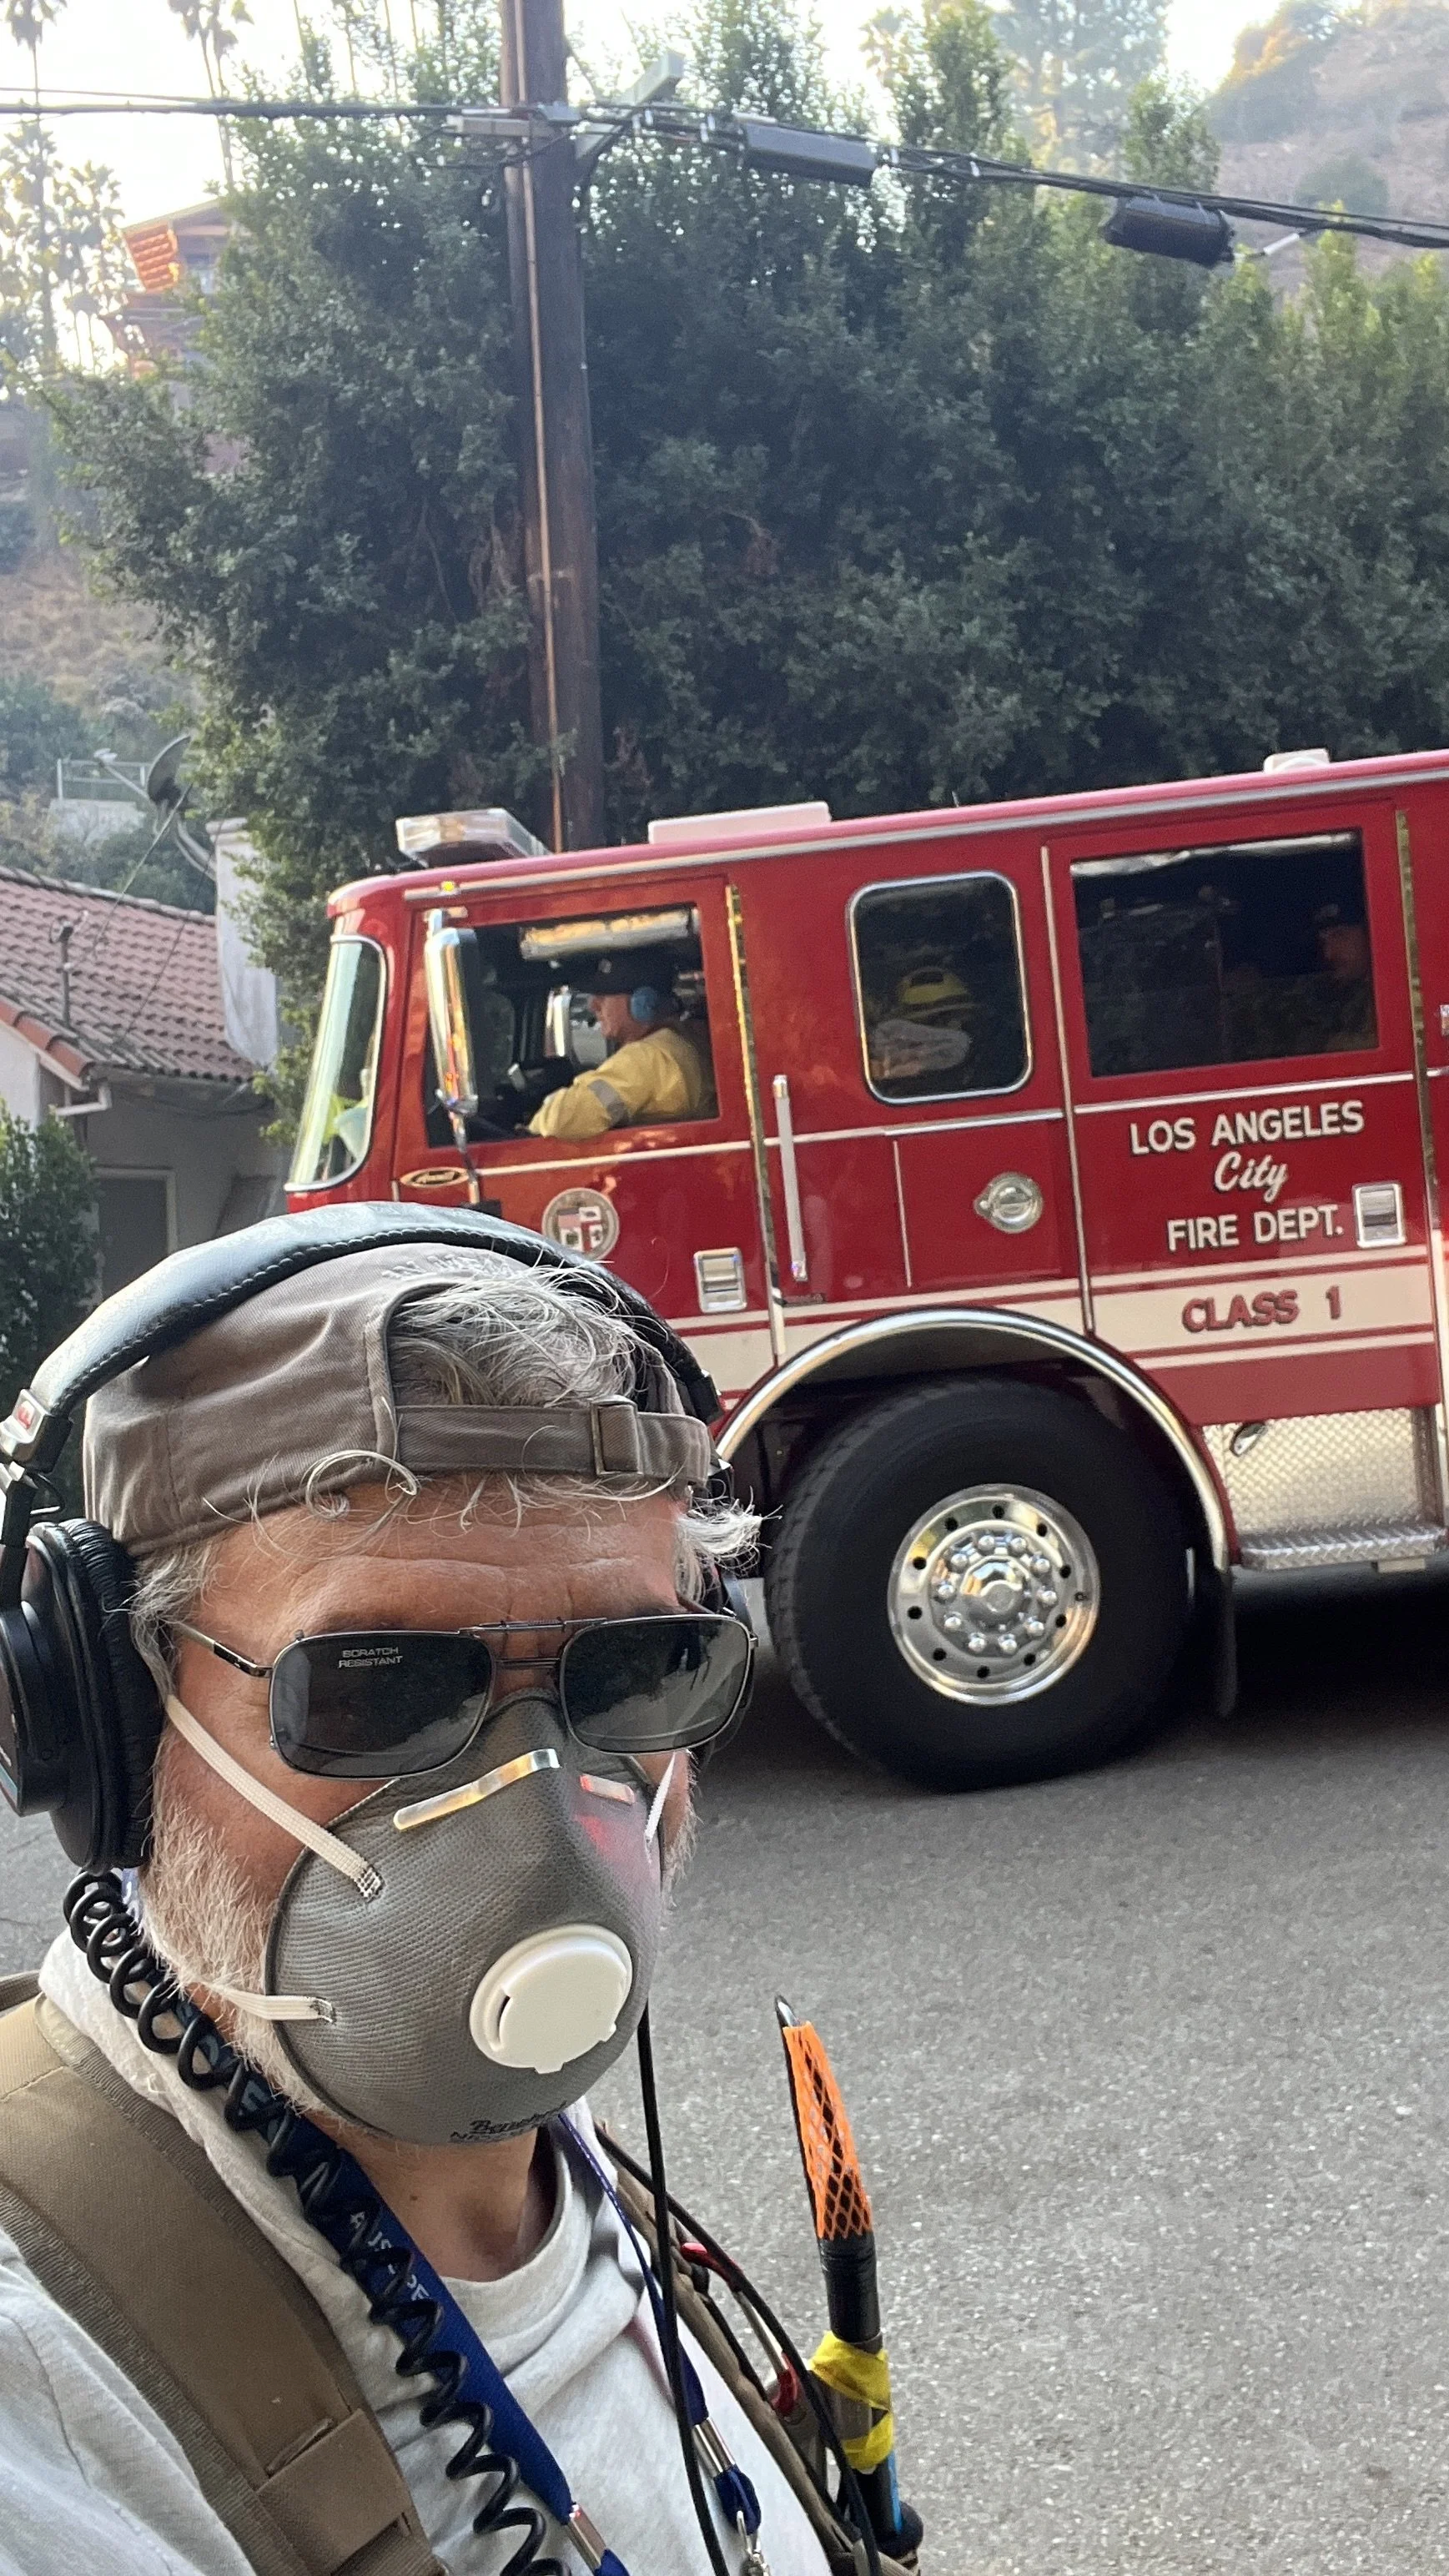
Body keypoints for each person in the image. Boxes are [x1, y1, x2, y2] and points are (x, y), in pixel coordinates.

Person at [0, 1221, 878, 2576]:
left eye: (632, 1671)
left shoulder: (551, 2162)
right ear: (112, 1720)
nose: (531, 1818)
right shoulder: (40, 2388)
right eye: (379, 1686)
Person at [531, 951, 717, 1139]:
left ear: (642, 1003)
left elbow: (562, 1122)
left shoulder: (646, 1057)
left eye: (603, 996)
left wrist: (541, 1114)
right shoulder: (679, 1042)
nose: (592, 1006)